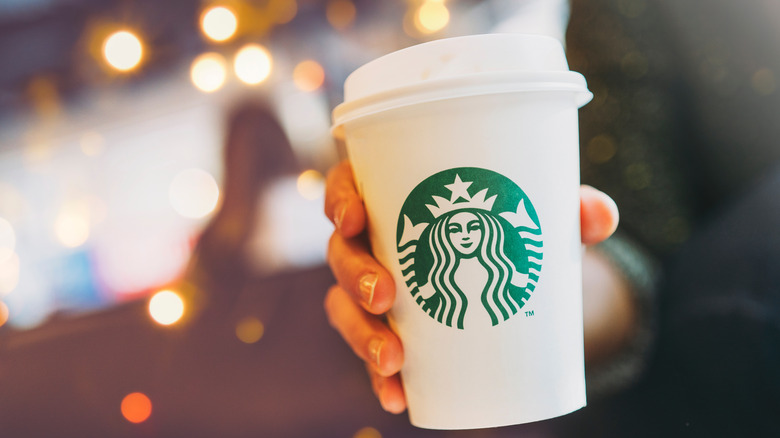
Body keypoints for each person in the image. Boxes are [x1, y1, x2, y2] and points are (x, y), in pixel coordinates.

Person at [323, 160, 627, 414]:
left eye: (474, 226)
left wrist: (565, 289)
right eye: (454, 228)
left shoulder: (506, 275)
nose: (465, 235)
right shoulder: (438, 284)